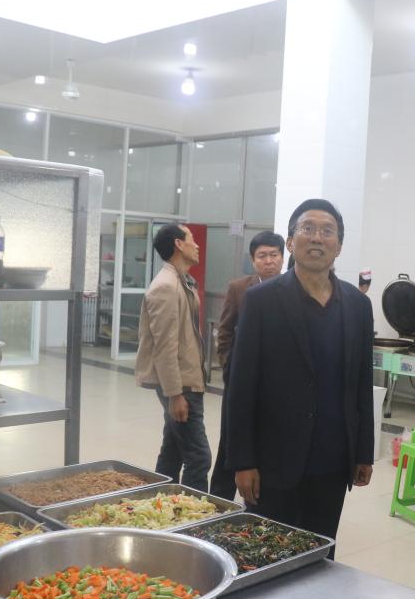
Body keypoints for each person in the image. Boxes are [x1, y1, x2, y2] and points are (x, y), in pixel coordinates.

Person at [225, 198, 374, 544]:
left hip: (333, 461)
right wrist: (242, 461)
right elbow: (241, 386)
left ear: (339, 246)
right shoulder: (261, 300)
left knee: (321, 553)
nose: (317, 237)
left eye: (327, 231)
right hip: (274, 460)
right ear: (291, 242)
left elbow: (362, 383)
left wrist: (363, 452)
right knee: (268, 553)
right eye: (308, 229)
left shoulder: (357, 305)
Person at [209, 230, 285, 499]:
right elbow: (225, 332)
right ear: (253, 261)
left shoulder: (293, 289)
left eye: (274, 255)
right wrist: (230, 369)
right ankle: (220, 499)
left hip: (275, 383)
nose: (269, 261)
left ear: (282, 257)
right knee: (232, 439)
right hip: (241, 379)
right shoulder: (240, 288)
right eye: (262, 256)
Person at [135, 223, 212, 491]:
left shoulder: (179, 280)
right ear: (179, 244)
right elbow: (164, 346)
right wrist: (175, 394)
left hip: (185, 380)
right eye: (191, 239)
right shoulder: (166, 286)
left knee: (173, 452)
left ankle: (159, 502)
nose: (197, 245)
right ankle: (192, 512)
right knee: (199, 457)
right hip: (181, 385)